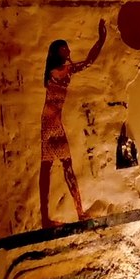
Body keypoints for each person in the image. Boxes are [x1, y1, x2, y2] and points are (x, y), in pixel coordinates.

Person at [40, 20, 106, 228]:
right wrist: (101, 40)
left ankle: (55, 215)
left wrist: (101, 40)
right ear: (57, 53)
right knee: (62, 165)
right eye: (64, 49)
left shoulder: (60, 70)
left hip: (50, 122)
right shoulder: (59, 71)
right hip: (51, 123)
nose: (68, 51)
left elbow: (88, 61)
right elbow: (88, 62)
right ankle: (77, 212)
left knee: (51, 166)